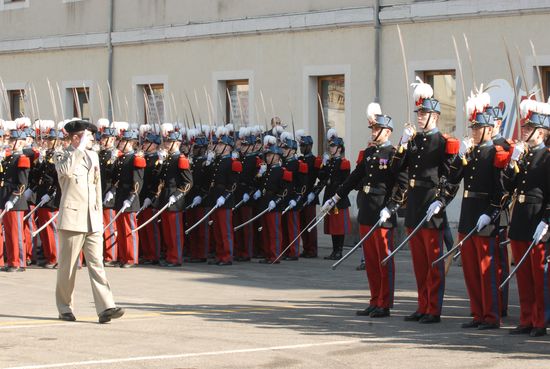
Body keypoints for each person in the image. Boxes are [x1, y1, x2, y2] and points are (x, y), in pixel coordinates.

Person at [433, 92, 508, 330]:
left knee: (486, 270)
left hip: (485, 216)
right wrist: (459, 158)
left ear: (488, 129)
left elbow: (501, 190)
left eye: (478, 129)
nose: (473, 132)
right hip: (468, 216)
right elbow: (454, 179)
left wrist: (492, 212)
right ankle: (477, 313)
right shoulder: (471, 153)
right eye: (473, 128)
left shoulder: (495, 154)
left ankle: (491, 316)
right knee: (471, 271)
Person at [325, 105, 408, 318]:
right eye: (372, 129)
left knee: (383, 260)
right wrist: (336, 196)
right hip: (367, 212)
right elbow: (354, 177)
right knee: (370, 261)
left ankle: (385, 302)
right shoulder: (370, 152)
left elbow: (403, 184)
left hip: (382, 214)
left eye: (376, 129)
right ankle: (374, 300)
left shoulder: (393, 154)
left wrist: (392, 207)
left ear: (387, 132)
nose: (372, 133)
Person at [390, 78, 459, 323]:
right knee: (418, 262)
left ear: (435, 116)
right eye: (418, 112)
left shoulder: (444, 142)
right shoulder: (414, 140)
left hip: (431, 205)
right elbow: (396, 169)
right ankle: (422, 305)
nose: (419, 116)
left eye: (424, 113)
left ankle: (433, 308)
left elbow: (451, 177)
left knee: (433, 261)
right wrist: (403, 143)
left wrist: (441, 201)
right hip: (414, 205)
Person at [54, 119, 124, 324]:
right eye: (88, 136)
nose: (93, 139)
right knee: (67, 268)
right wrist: (79, 149)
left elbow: (96, 187)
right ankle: (65, 307)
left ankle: (105, 307)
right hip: (72, 218)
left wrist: (99, 215)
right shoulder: (62, 154)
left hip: (92, 219)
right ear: (76, 137)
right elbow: (65, 172)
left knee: (97, 264)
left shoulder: (93, 156)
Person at [503, 99, 550, 337]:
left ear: (540, 132)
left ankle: (539, 321)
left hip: (537, 220)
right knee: (522, 275)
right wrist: (513, 161)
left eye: (528, 128)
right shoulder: (523, 155)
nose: (524, 131)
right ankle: (526, 318)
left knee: (537, 275)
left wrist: (547, 221)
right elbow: (507, 185)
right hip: (520, 219)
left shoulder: (547, 157)